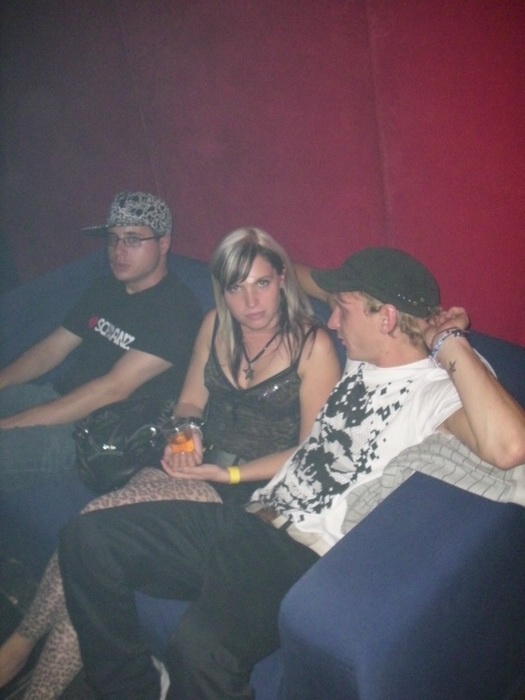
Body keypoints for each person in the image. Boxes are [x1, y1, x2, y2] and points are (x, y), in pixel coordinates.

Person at [57, 246, 525, 700]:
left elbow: (510, 446)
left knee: (201, 652)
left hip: (299, 553)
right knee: (88, 539)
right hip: (251, 516)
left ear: (385, 318)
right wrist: (265, 253)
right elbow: (298, 275)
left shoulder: (435, 390)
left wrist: (447, 339)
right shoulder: (366, 354)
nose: (331, 321)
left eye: (341, 310)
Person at [0, 227, 340, 699]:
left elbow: (310, 451)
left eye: (261, 283)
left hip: (244, 489)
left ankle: (23, 658)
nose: (251, 302)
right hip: (189, 467)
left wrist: (229, 473)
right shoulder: (214, 325)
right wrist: (188, 434)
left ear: (282, 279)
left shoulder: (312, 346)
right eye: (235, 287)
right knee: (92, 541)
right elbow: (189, 402)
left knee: (94, 525)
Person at [0, 191, 202, 492]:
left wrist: (8, 426)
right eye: (113, 239)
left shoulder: (177, 311)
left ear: (163, 243)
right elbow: (52, 348)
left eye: (133, 239)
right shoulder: (105, 288)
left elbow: (112, 389)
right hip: (55, 398)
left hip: (89, 434)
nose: (118, 251)